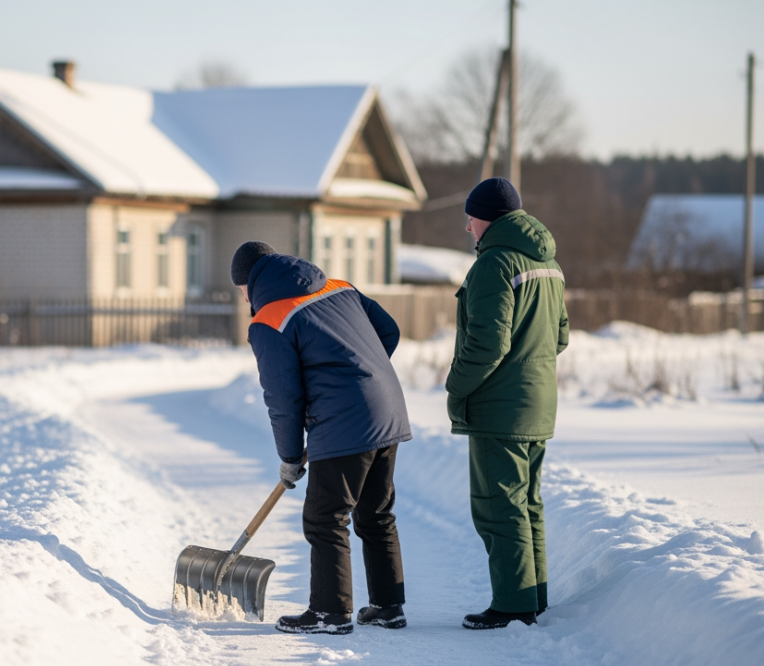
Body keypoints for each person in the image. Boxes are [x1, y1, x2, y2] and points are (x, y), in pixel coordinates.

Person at [231, 241, 411, 635]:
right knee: (375, 513)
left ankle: (330, 612)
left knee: (324, 518)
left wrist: (290, 455)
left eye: (241, 290)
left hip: (345, 420)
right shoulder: (338, 286)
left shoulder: (270, 319)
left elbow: (283, 398)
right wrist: (361, 377)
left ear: (247, 285)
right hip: (388, 408)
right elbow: (388, 331)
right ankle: (387, 606)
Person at [446, 177, 569, 630]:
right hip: (538, 404)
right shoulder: (549, 264)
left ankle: (513, 606)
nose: (467, 228)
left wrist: (455, 386)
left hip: (500, 409)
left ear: (488, 219)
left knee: (499, 506)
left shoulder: (493, 266)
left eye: (471, 218)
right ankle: (532, 598)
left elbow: (486, 345)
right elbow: (560, 336)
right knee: (526, 504)